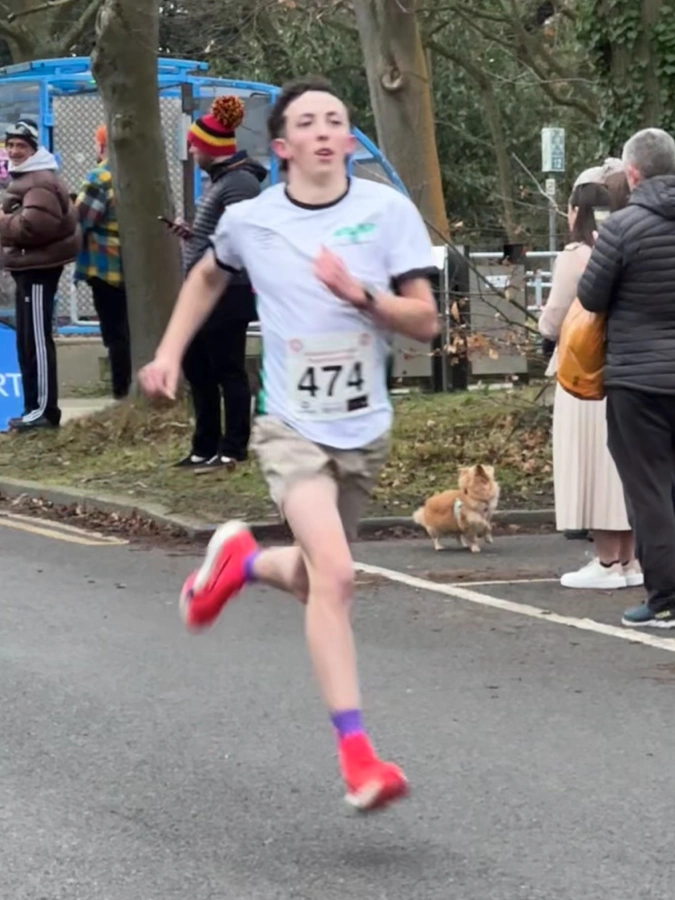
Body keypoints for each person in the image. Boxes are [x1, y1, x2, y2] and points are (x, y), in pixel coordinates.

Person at [140, 76, 439, 811]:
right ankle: (358, 759)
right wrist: (169, 353)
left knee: (313, 578)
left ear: (348, 140)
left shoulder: (386, 213)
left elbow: (426, 322)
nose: (324, 130)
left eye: (335, 119)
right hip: (290, 426)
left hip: (363, 429)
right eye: (307, 122)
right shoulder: (252, 219)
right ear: (282, 147)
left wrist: (359, 295)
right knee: (336, 575)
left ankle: (241, 562)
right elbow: (205, 279)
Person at [578, 127, 675, 629]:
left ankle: (665, 598)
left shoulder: (622, 227)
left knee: (649, 489)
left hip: (639, 381)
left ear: (633, 173)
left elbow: (591, 297)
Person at [538, 160, 640, 590]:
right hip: (625, 367)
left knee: (590, 462)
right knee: (622, 468)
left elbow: (554, 317)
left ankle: (606, 560)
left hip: (582, 373)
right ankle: (630, 560)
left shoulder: (575, 256)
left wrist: (545, 333)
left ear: (577, 210)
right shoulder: (631, 243)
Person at [174, 96, 266, 470]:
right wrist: (193, 234)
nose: (191, 152)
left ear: (211, 147)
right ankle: (204, 445)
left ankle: (233, 447)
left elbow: (242, 238)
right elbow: (222, 233)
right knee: (198, 367)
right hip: (205, 291)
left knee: (228, 369)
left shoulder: (240, 183)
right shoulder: (221, 183)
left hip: (227, 290)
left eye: (194, 145)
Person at [0, 119, 80, 430]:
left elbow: (33, 227)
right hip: (27, 267)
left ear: (34, 149)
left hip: (37, 271)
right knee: (26, 340)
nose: (14, 151)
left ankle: (44, 410)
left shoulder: (40, 181)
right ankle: (32, 407)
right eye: (10, 145)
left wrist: (3, 221)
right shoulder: (27, 177)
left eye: (21, 145)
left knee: (36, 340)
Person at [75, 125, 131, 401]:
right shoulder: (139, 173)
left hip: (106, 266)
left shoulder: (100, 176)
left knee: (115, 333)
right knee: (132, 330)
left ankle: (122, 393)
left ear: (101, 146)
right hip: (135, 267)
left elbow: (82, 218)